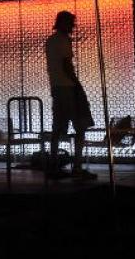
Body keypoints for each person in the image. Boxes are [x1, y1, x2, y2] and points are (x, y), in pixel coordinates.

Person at [45, 11, 96, 180]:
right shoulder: (64, 41)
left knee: (58, 128)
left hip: (56, 87)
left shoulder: (50, 41)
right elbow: (67, 65)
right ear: (65, 23)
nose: (73, 27)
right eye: (71, 23)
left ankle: (53, 166)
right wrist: (77, 84)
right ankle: (78, 167)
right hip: (68, 87)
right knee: (80, 126)